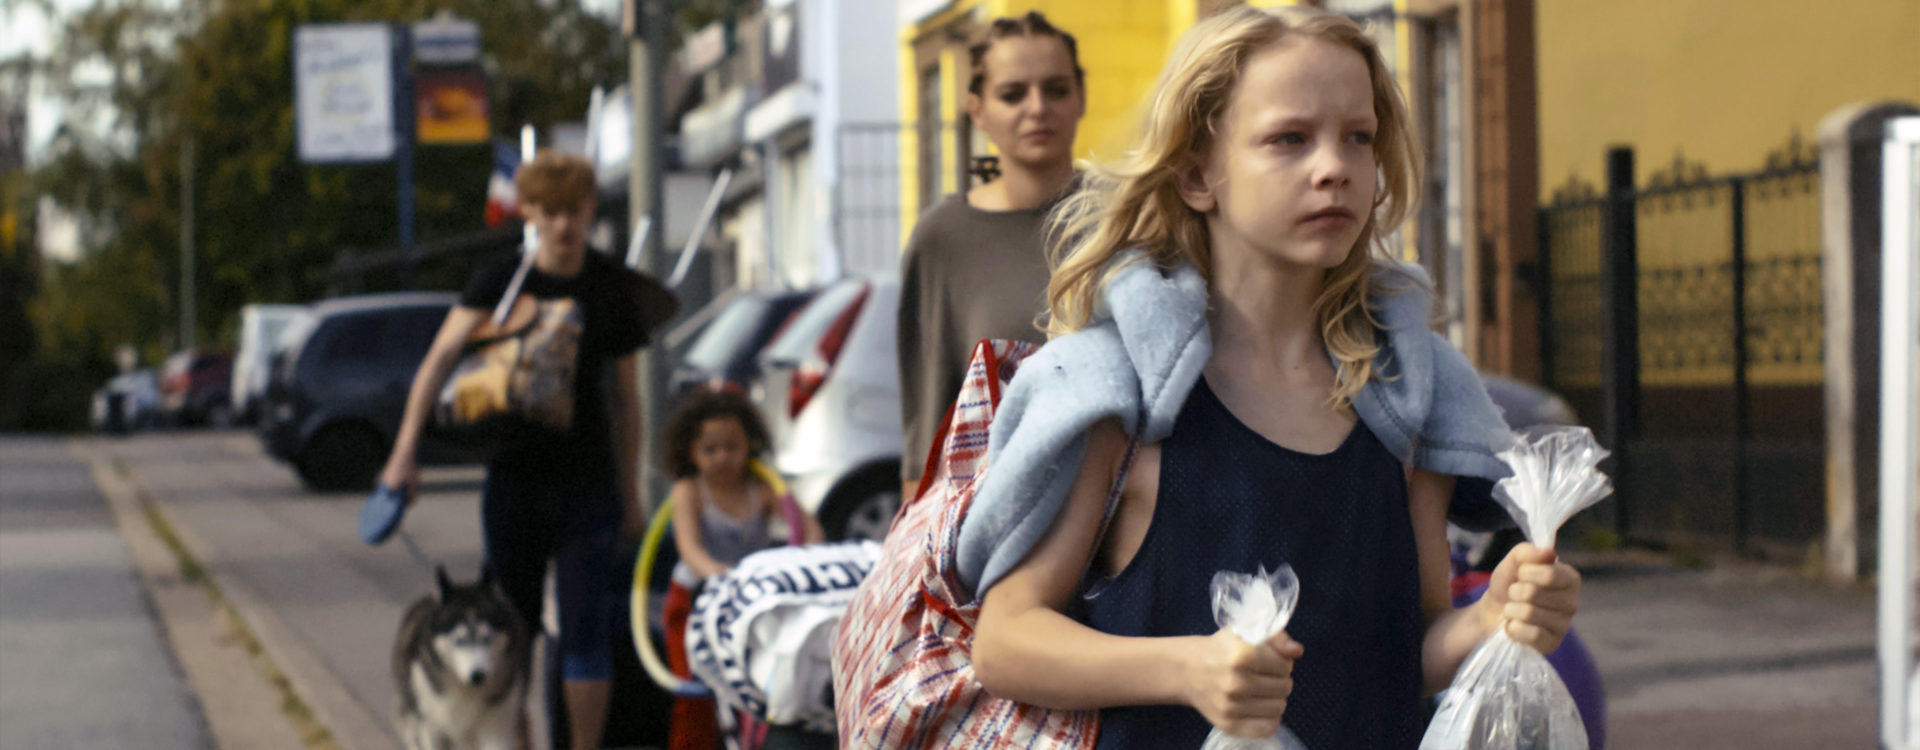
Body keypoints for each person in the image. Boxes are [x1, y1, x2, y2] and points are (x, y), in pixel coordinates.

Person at [963, 7, 1584, 749]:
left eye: (1358, 137)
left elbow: (1399, 658)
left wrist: (1489, 620)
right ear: (1197, 174)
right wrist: (1188, 669)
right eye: (1289, 138)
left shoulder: (1406, 391)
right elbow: (1005, 641)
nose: (1334, 167)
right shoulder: (1119, 393)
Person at [379, 149, 648, 750]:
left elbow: (627, 401)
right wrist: (404, 453)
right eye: (550, 211)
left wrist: (631, 495)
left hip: (588, 486)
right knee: (511, 632)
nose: (563, 224)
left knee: (585, 631)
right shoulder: (501, 280)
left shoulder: (609, 287)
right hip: (513, 482)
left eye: (573, 210)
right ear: (528, 211)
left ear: (589, 209)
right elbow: (439, 360)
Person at [898, 10, 1086, 499]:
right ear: (977, 109)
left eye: (1056, 89)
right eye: (1013, 94)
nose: (1037, 108)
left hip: (1132, 511)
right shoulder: (943, 238)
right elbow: (926, 428)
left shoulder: (1131, 218)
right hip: (995, 514)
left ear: (1081, 97)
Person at [658, 390, 825, 750]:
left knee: (756, 688)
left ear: (749, 444)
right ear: (691, 452)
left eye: (732, 447)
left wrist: (801, 563)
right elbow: (690, 548)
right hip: (694, 601)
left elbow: (810, 529)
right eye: (710, 449)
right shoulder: (689, 490)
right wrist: (722, 575)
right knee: (695, 695)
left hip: (748, 600)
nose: (722, 457)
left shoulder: (762, 487)